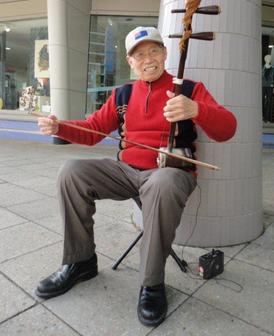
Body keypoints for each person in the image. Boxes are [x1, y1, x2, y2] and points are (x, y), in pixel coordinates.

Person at [36, 26, 237, 327]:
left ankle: (151, 282)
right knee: (71, 172)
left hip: (171, 173)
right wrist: (60, 127)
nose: (148, 59)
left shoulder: (189, 89)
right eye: (139, 54)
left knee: (162, 182)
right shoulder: (124, 93)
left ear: (165, 53)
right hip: (127, 171)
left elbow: (227, 129)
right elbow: (93, 130)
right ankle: (80, 261)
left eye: (154, 51)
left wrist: (196, 109)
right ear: (131, 62)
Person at [262, 54, 274, 122]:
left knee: (269, 102)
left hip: (270, 86)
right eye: (267, 58)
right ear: (265, 59)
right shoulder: (262, 68)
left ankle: (267, 118)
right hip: (262, 86)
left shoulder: (273, 68)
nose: (269, 60)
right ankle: (262, 116)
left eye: (270, 59)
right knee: (261, 100)